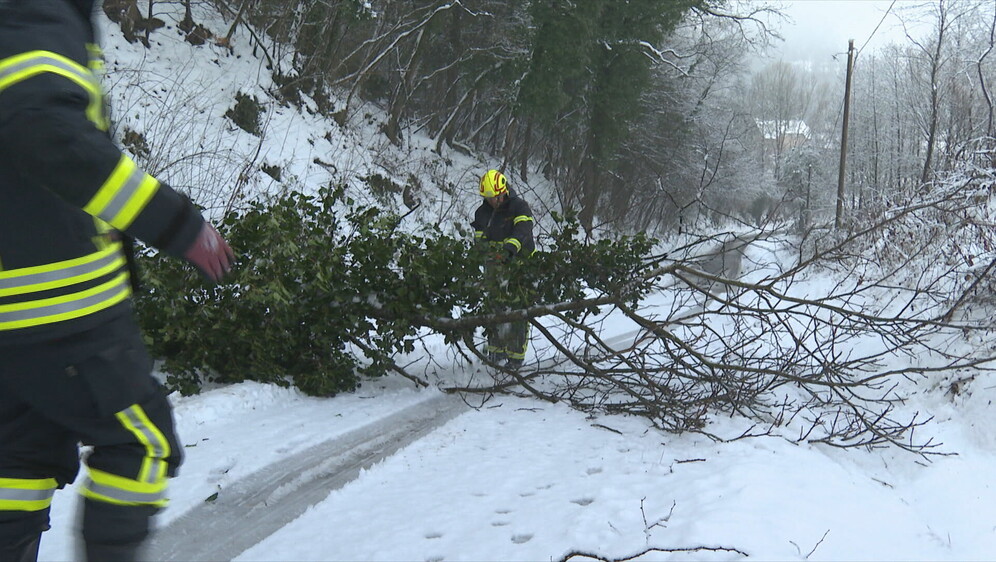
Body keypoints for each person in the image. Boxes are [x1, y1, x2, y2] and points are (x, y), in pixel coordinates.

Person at [0, 1, 235, 560]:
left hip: (16, 317)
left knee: (17, 462)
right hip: (60, 309)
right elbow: (42, 129)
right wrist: (176, 223)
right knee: (142, 444)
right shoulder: (35, 15)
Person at [471, 169, 536, 371]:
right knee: (495, 305)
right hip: (495, 265)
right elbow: (480, 241)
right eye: (489, 198)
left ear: (504, 191)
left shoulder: (519, 207)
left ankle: (515, 356)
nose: (493, 202)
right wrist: (480, 258)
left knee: (518, 309)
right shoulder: (482, 212)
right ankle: (495, 349)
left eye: (496, 197)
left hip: (521, 263)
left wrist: (510, 250)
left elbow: (523, 231)